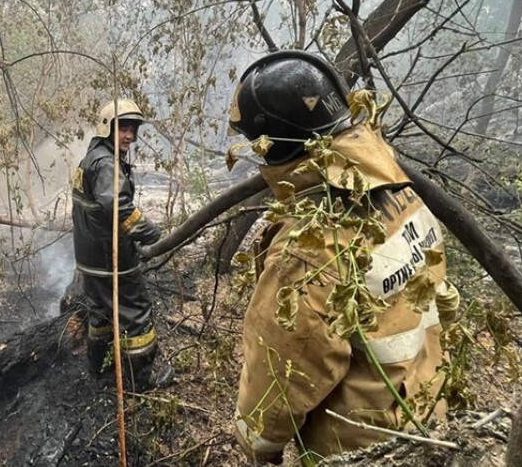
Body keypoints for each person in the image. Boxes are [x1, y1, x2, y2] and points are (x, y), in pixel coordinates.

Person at [227, 51, 460, 463]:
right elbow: (444, 300)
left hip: (363, 447)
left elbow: (281, 380)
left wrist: (256, 442)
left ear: (272, 143)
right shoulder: (402, 192)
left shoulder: (309, 245)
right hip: (429, 416)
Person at [71, 98, 174, 392]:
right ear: (107, 128)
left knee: (100, 312)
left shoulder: (92, 157)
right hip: (110, 258)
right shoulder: (105, 163)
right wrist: (153, 235)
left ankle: (99, 370)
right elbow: (120, 207)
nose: (130, 136)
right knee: (136, 314)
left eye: (133, 130)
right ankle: (140, 381)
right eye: (123, 129)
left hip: (89, 259)